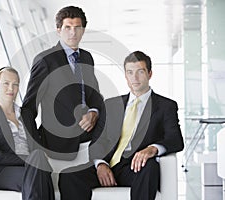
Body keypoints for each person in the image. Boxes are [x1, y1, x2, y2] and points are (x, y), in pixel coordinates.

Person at [59, 51, 184, 200]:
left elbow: (175, 139)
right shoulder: (111, 105)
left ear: (150, 74)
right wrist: (100, 164)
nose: (135, 78)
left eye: (140, 72)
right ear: (125, 76)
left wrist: (152, 149)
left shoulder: (165, 106)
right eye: (130, 72)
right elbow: (98, 141)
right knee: (69, 176)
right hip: (109, 164)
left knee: (150, 168)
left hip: (136, 168)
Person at [21, 6, 103, 160]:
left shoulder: (87, 58)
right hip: (59, 141)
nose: (73, 32)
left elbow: (95, 96)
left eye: (77, 27)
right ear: (58, 30)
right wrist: (34, 146)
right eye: (67, 27)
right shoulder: (45, 60)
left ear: (83, 30)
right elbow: (29, 107)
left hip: (89, 132)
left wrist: (94, 112)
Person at [0, 67, 54, 200]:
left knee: (38, 166)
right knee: (39, 172)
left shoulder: (26, 115)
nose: (11, 88)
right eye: (6, 83)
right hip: (1, 170)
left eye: (15, 84)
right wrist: (29, 159)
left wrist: (34, 159)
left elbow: (36, 145)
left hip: (32, 166)